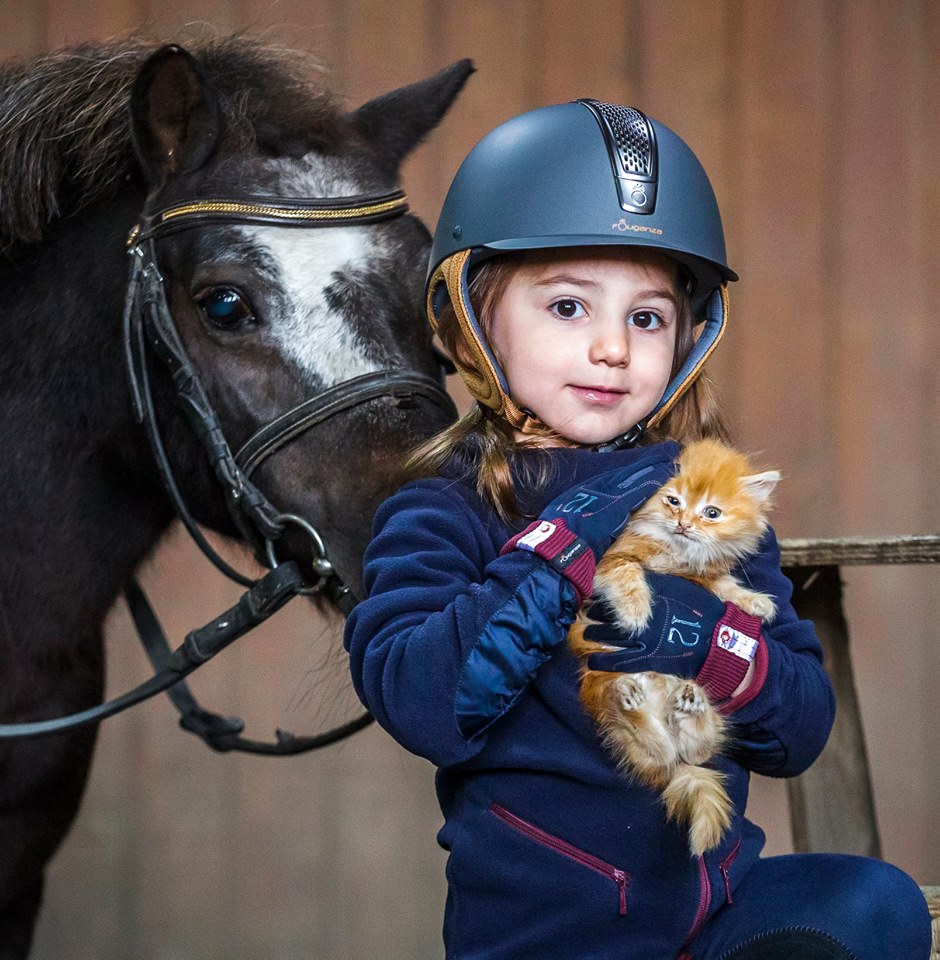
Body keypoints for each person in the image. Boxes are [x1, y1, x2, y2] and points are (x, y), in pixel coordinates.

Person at [344, 100, 931, 959]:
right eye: (570, 308)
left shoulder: (702, 499)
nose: (614, 348)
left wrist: (710, 642)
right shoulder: (444, 506)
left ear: (687, 338)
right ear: (474, 318)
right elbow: (423, 701)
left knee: (875, 905)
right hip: (550, 936)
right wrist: (558, 549)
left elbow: (799, 730)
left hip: (712, 914)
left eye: (647, 318)